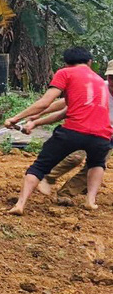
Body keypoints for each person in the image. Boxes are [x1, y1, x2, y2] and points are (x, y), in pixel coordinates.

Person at [4, 47, 112, 215]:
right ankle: (90, 201)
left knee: (39, 167)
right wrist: (36, 122)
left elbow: (46, 102)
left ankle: (20, 205)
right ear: (90, 62)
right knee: (97, 163)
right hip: (102, 136)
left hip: (73, 131)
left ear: (66, 63)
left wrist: (15, 118)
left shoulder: (66, 73)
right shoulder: (99, 82)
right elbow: (65, 110)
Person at [23, 58, 113, 200]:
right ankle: (49, 177)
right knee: (75, 157)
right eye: (111, 77)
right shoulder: (99, 86)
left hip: (106, 135)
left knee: (94, 166)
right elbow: (65, 102)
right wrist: (39, 113)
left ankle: (66, 194)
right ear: (107, 76)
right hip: (84, 127)